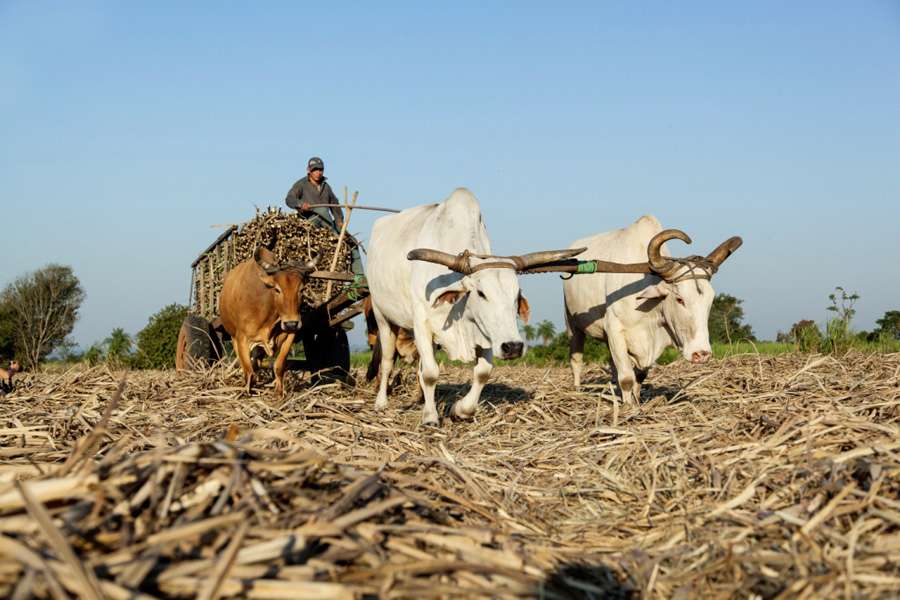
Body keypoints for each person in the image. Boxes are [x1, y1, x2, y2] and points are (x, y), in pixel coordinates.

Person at [284, 156, 364, 280]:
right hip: (309, 222)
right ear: (309, 171)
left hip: (326, 223)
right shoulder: (301, 185)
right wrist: (300, 204)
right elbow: (289, 199)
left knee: (351, 241)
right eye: (315, 170)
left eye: (320, 170)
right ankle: (334, 237)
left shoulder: (326, 187)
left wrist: (339, 221)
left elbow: (335, 206)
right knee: (321, 210)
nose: (318, 172)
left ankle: (359, 276)